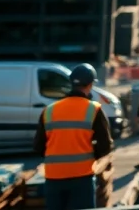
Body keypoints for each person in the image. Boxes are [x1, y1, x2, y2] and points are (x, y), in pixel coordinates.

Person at [34, 64, 113, 210]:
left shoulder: (49, 111)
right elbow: (106, 145)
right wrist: (89, 154)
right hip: (81, 179)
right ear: (90, 85)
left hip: (53, 179)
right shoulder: (94, 109)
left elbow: (38, 147)